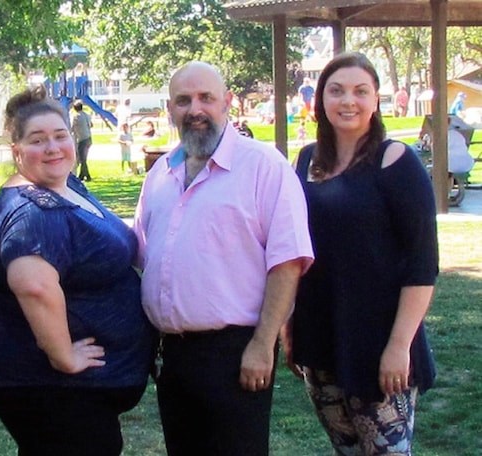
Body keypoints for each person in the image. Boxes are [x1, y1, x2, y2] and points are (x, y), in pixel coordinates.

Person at [133, 61, 314, 456]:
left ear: (227, 103)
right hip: (173, 358)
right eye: (183, 100)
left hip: (235, 354)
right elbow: (144, 256)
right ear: (170, 110)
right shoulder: (160, 174)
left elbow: (287, 262)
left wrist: (263, 344)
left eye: (206, 98)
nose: (194, 109)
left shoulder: (264, 167)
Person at [0, 86, 157, 456]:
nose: (53, 147)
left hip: (72, 392)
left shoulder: (63, 186)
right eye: (37, 140)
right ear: (17, 151)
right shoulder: (34, 211)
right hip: (50, 384)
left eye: (60, 136)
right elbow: (34, 285)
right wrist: (63, 355)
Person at [284, 52, 438, 455]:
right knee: (347, 450)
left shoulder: (397, 162)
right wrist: (287, 325)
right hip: (320, 335)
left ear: (376, 100)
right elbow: (292, 248)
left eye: (360, 91)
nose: (347, 101)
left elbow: (423, 265)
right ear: (321, 100)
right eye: (335, 91)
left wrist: (398, 346)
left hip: (379, 339)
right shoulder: (304, 161)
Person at [71, 100, 93, 181]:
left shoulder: (76, 117)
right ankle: (81, 175)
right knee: (84, 158)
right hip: (89, 138)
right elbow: (91, 125)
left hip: (82, 139)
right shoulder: (87, 115)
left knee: (82, 159)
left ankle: (88, 176)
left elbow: (72, 128)